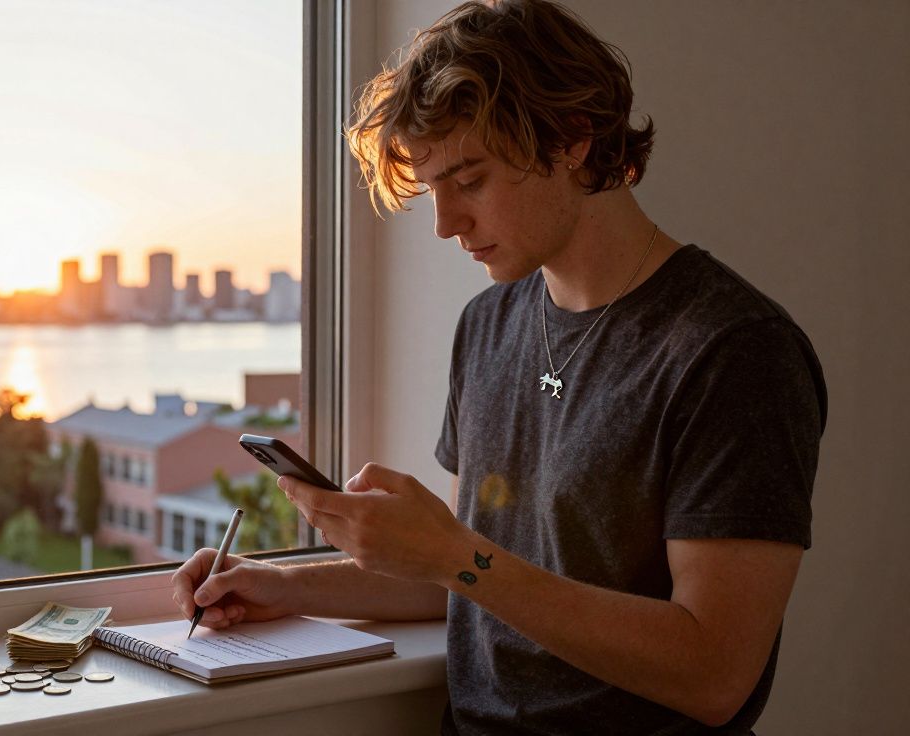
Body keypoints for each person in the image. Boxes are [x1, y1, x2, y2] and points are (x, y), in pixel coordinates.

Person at [171, 1, 826, 733]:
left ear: (573, 140)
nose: (445, 223)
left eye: (471, 180)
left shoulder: (733, 351)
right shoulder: (489, 324)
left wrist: (457, 557)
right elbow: (478, 579)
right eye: (433, 189)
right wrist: (281, 586)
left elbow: (714, 675)